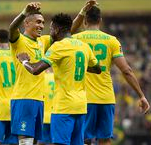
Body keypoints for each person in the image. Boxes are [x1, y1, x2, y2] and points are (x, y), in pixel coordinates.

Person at [71, 1, 150, 145]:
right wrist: (141, 95)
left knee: (84, 139)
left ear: (85, 21)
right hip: (106, 98)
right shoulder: (112, 41)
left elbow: (66, 32)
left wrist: (81, 13)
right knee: (105, 139)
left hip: (83, 98)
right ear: (100, 21)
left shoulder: (76, 39)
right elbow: (126, 71)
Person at [16, 13, 101, 145]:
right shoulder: (83, 46)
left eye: (50, 29)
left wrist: (24, 61)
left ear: (56, 29)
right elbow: (98, 69)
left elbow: (35, 70)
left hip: (63, 106)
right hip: (81, 106)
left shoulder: (58, 47)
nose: (49, 33)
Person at [8, 2, 52, 144]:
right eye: (38, 22)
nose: (41, 26)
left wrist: (82, 13)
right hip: (24, 98)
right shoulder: (18, 41)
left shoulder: (43, 42)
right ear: (27, 23)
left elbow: (65, 32)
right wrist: (24, 12)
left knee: (33, 142)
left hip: (39, 100)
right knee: (25, 141)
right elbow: (12, 28)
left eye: (43, 23)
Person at [38, 68, 55, 145]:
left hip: (43, 117)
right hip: (56, 115)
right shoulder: (58, 78)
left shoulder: (42, 78)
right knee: (53, 142)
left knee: (41, 142)